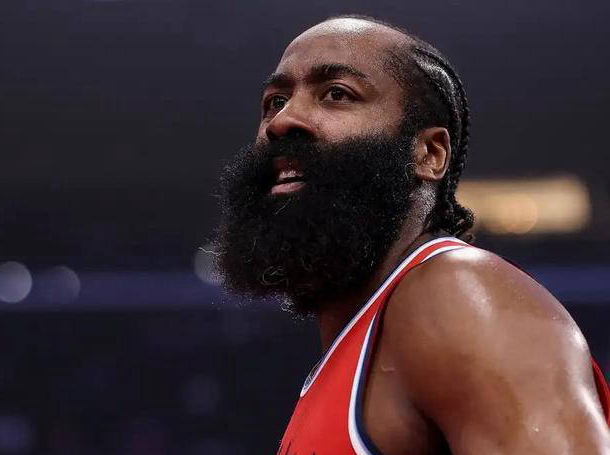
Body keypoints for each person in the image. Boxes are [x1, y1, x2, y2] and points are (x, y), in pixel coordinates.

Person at [212, 15, 610, 455]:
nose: (282, 120)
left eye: (337, 94)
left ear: (429, 153)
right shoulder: (361, 343)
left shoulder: (456, 293)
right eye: (275, 101)